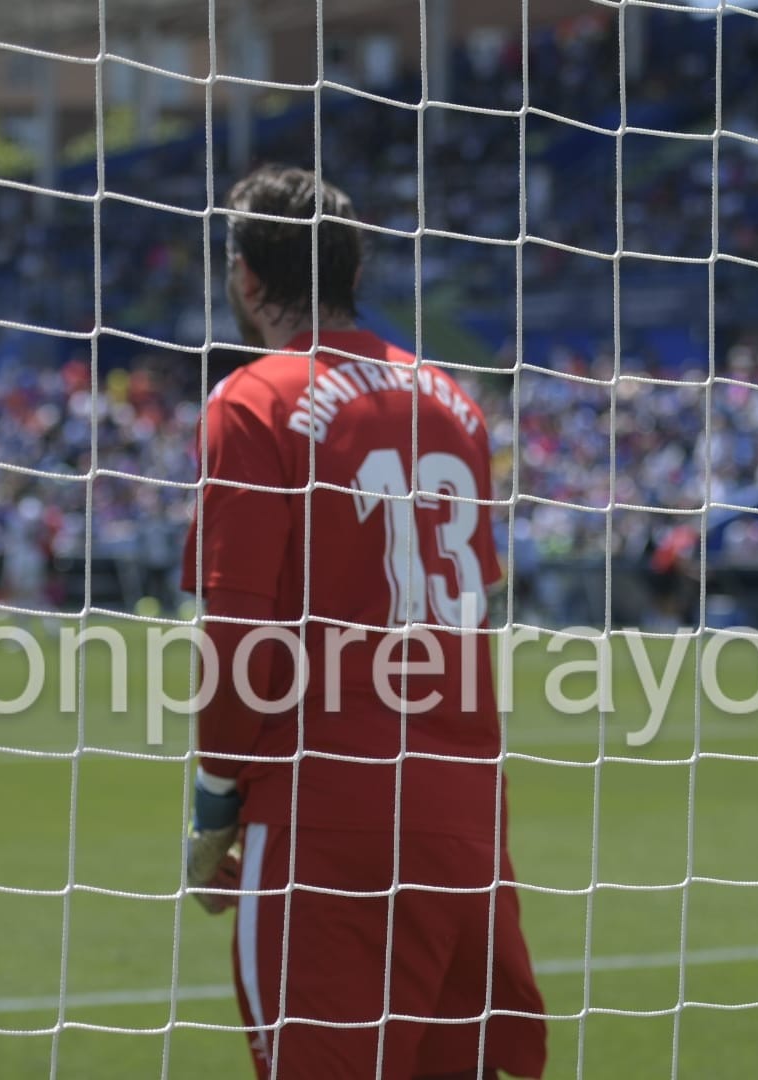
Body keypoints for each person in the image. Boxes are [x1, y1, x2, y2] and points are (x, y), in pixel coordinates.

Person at [181, 165, 547, 1080]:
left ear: (247, 278)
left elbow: (242, 631)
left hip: (329, 813)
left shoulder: (254, 396)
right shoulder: (456, 402)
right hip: (466, 814)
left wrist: (217, 803)